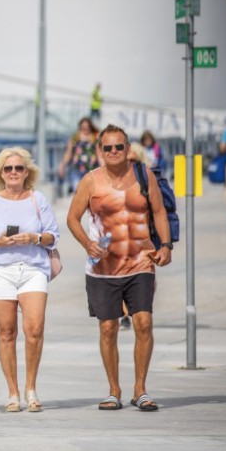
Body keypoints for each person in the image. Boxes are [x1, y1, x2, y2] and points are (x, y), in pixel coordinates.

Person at [67, 124, 172, 412]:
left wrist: (166, 245)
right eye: (108, 147)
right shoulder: (91, 181)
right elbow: (72, 219)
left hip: (141, 261)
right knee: (108, 328)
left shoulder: (143, 175)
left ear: (127, 148)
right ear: (100, 151)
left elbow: (159, 212)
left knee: (143, 322)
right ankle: (114, 390)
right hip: (104, 267)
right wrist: (88, 244)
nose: (114, 152)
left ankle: (140, 389)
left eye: (119, 147)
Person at [0, 147, 60, 413]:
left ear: (26, 172)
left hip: (33, 268)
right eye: (8, 168)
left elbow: (53, 235)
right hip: (0, 269)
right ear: (1, 173)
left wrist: (34, 238)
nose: (13, 173)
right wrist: (0, 242)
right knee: (6, 332)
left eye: (18, 168)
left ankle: (31, 387)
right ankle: (13, 392)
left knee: (34, 330)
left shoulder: (38, 199)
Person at [58, 117, 100, 194]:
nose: (85, 129)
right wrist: (62, 165)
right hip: (76, 169)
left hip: (91, 170)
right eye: (83, 127)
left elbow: (99, 154)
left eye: (87, 127)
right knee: (77, 191)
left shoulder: (95, 138)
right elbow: (68, 153)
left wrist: (105, 168)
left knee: (90, 193)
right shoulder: (75, 137)